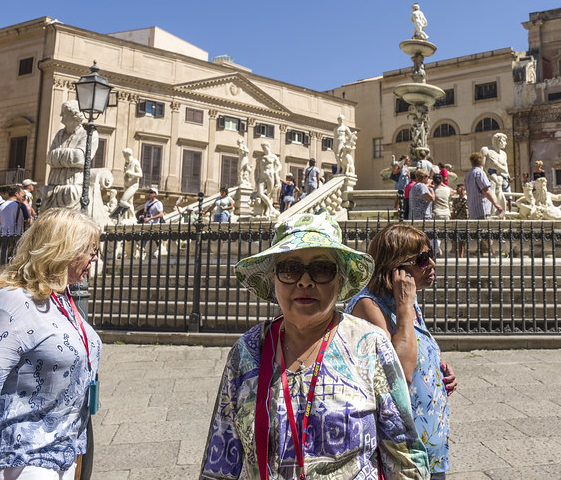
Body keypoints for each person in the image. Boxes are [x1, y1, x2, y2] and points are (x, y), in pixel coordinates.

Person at [203, 213, 429, 478]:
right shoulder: (247, 352)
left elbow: (404, 454)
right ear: (273, 278)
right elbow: (221, 456)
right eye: (290, 269)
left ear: (341, 279)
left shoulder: (371, 345)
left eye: (322, 268)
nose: (305, 281)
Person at [0, 208, 102, 479]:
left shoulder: (61, 297)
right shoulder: (10, 302)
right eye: (89, 250)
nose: (93, 259)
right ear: (61, 250)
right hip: (23, 460)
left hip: (64, 452)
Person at [347, 223, 456, 478]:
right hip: (401, 452)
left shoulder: (405, 299)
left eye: (430, 256)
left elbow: (413, 348)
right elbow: (399, 373)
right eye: (422, 259)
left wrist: (437, 367)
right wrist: (405, 307)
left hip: (429, 441)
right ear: (395, 266)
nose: (432, 264)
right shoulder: (368, 305)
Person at [465, 152, 503, 220]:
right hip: (481, 209)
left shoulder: (468, 175)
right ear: (481, 162)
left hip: (472, 211)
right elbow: (485, 190)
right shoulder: (480, 173)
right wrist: (495, 203)